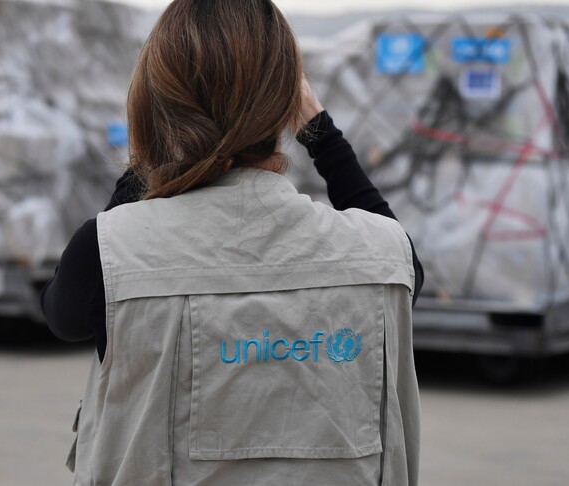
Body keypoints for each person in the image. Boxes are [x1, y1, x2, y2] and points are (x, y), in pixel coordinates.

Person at [40, 0, 423, 484]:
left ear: (159, 100)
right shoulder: (383, 257)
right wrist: (321, 134)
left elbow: (63, 316)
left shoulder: (107, 251)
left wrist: (153, 150)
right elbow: (402, 259)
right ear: (287, 102)